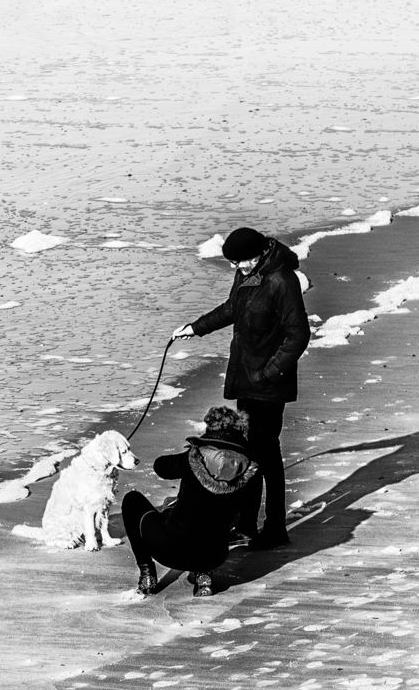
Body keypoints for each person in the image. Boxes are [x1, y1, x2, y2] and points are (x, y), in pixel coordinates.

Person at [173, 226, 309, 548]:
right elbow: (233, 308)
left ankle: (275, 528)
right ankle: (246, 522)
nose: (238, 268)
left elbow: (298, 335)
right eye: (234, 263)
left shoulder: (282, 280)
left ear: (261, 252)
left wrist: (268, 374)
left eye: (242, 261)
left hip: (268, 385)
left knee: (266, 456)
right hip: (247, 379)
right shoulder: (248, 274)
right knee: (249, 453)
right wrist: (196, 328)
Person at [122, 407, 260, 597]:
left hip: (169, 550)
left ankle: (147, 573)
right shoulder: (248, 469)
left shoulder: (194, 458)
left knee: (132, 501)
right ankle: (204, 576)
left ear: (210, 427)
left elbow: (160, 466)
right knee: (212, 517)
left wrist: (190, 455)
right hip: (214, 556)